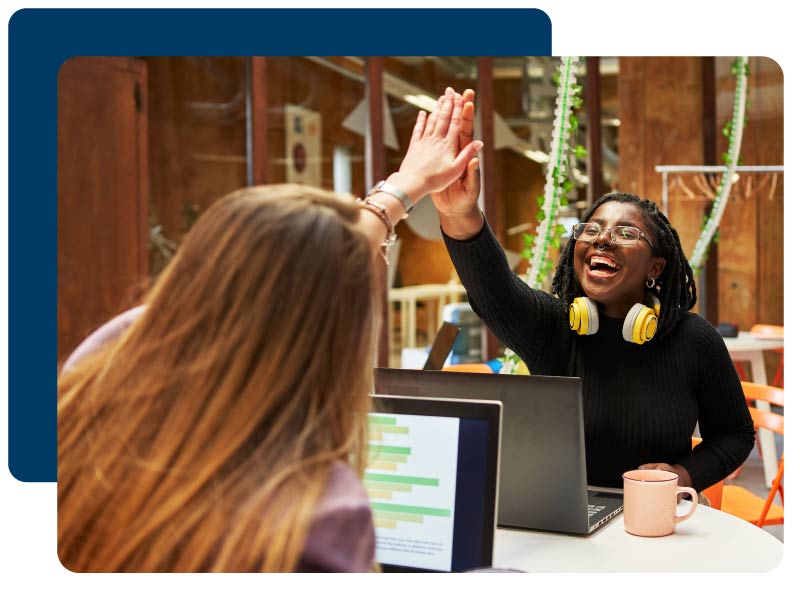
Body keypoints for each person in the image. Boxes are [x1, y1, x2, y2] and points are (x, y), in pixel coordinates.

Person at [57, 88, 483, 572]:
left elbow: (286, 264)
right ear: (336, 336)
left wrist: (402, 190)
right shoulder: (318, 518)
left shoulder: (98, 371)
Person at [432, 88, 754, 493]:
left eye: (625, 233)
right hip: (562, 519)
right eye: (593, 230)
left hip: (651, 519)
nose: (602, 240)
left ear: (655, 266)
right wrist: (458, 213)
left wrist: (681, 476)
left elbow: (736, 434)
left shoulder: (694, 341)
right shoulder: (552, 327)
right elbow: (493, 290)